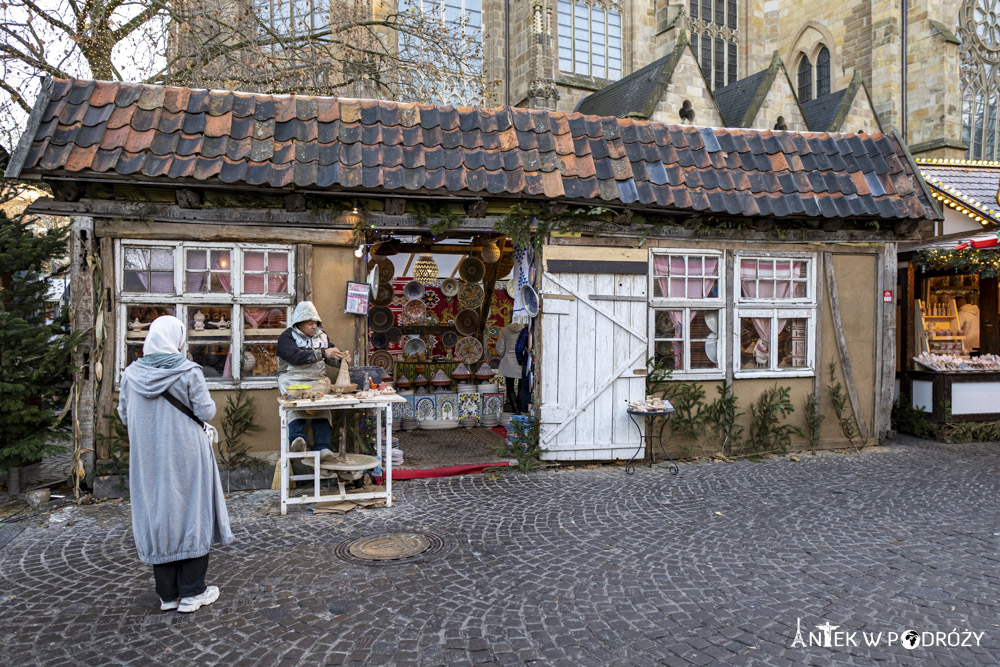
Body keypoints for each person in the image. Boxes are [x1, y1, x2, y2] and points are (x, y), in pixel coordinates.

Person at [118, 315, 233, 614]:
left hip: (148, 456)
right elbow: (205, 411)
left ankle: (168, 595)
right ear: (175, 340)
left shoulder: (131, 375)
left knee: (158, 515)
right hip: (187, 453)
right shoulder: (188, 371)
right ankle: (193, 592)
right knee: (192, 512)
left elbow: (125, 416)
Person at [276, 301, 349, 458]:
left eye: (316, 323)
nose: (314, 326)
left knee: (322, 412)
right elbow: (295, 357)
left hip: (317, 383)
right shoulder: (286, 338)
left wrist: (342, 358)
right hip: (293, 383)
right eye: (310, 323)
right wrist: (323, 353)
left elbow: (331, 357)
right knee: (296, 411)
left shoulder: (322, 337)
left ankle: (322, 448)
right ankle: (298, 439)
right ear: (299, 323)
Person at [496, 322, 526, 413]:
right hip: (522, 360)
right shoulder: (525, 329)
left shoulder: (505, 330)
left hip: (508, 361)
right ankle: (520, 410)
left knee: (510, 387)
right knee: (522, 387)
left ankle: (515, 410)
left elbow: (500, 349)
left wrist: (504, 354)